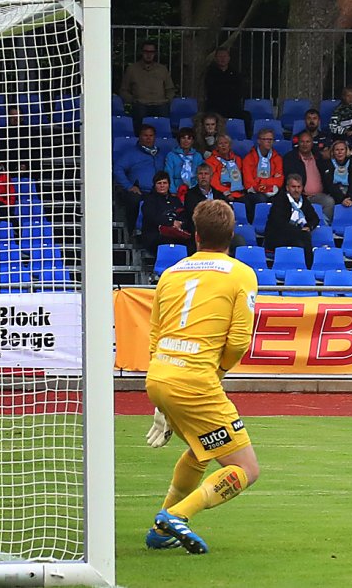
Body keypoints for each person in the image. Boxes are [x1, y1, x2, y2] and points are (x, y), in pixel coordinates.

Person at [143, 199, 260, 555]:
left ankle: (160, 529)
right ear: (232, 235)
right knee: (245, 468)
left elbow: (155, 333)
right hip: (196, 381)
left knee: (201, 449)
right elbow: (239, 341)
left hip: (159, 376)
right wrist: (217, 371)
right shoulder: (241, 274)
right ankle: (177, 515)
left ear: (194, 235)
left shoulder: (172, 272)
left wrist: (162, 389)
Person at [120, 41, 175, 133]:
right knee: (139, 117)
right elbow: (124, 90)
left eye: (151, 52)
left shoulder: (162, 69)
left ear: (155, 53)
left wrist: (167, 100)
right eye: (146, 52)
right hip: (140, 104)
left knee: (164, 122)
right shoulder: (132, 69)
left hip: (160, 104)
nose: (148, 55)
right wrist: (133, 100)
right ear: (142, 52)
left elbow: (170, 89)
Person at [265, 174, 320, 266]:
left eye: (299, 187)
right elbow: (278, 223)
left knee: (302, 239)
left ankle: (306, 269)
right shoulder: (280, 200)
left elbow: (315, 218)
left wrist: (308, 227)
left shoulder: (304, 201)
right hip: (277, 236)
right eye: (293, 187)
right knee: (302, 240)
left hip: (298, 235)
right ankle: (307, 268)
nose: (296, 190)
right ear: (287, 188)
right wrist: (300, 231)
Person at [139, 171, 188, 254]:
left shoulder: (175, 200)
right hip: (155, 235)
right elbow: (152, 218)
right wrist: (171, 222)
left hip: (177, 234)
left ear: (169, 184)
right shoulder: (149, 200)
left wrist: (180, 223)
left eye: (164, 183)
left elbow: (183, 215)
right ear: (155, 185)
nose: (162, 185)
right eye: (159, 183)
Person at [283, 132, 329, 218]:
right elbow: (290, 178)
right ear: (298, 143)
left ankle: (324, 226)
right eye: (302, 142)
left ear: (312, 143)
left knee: (329, 201)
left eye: (308, 142)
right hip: (299, 196)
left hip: (318, 196)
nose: (305, 144)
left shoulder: (318, 157)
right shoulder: (291, 158)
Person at [241, 128, 285, 209]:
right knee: (261, 199)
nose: (269, 141)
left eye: (271, 139)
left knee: (283, 198)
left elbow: (279, 181)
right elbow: (248, 183)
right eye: (265, 139)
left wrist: (259, 180)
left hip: (273, 191)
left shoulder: (277, 158)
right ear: (259, 141)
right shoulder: (249, 158)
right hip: (254, 192)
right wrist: (269, 182)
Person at [203, 47, 247, 125]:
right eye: (220, 56)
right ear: (216, 58)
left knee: (245, 117)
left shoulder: (235, 73)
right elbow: (211, 90)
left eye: (225, 56)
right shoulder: (211, 73)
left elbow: (239, 90)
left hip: (232, 105)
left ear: (229, 58)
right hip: (215, 105)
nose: (222, 59)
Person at [319, 140, 352, 223]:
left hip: (349, 195)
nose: (339, 152)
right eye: (337, 150)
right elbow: (329, 185)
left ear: (346, 151)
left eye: (342, 149)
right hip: (334, 195)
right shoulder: (327, 164)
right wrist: (342, 199)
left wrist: (349, 198)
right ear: (333, 152)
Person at [183, 164, 224, 239]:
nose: (203, 176)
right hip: (199, 231)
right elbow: (193, 214)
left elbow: (226, 211)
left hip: (218, 230)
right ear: (197, 177)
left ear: (211, 177)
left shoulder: (219, 195)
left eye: (206, 174)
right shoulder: (190, 195)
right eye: (200, 174)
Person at [205, 135, 246, 205]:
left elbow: (244, 177)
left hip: (240, 193)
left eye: (226, 143)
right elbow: (213, 182)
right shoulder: (210, 161)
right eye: (220, 144)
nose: (223, 146)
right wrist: (227, 193)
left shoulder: (237, 159)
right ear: (217, 147)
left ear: (230, 146)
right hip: (222, 194)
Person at [166, 127, 206, 193]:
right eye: (183, 138)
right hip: (176, 188)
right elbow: (169, 174)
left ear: (192, 141)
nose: (186, 141)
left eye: (189, 138)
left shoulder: (197, 156)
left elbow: (201, 175)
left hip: (194, 189)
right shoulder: (171, 155)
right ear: (179, 140)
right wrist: (172, 191)